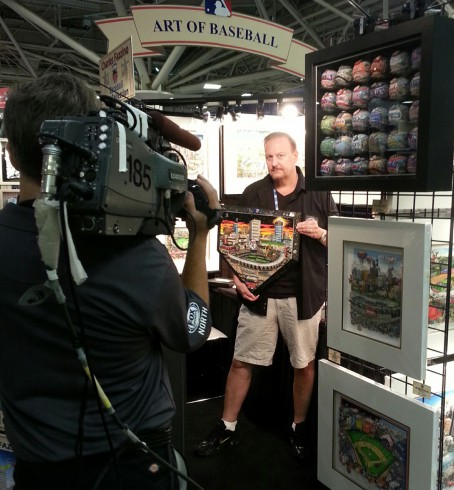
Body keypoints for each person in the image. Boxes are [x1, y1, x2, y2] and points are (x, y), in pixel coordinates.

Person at [0, 73, 220, 489]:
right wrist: (200, 234)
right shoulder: (136, 257)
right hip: (134, 465)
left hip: (37, 470)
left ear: (11, 155)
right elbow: (193, 330)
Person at [194, 131, 337, 461]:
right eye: (269, 156)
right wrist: (235, 278)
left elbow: (341, 240)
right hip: (258, 296)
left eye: (280, 156)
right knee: (241, 362)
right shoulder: (254, 192)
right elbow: (232, 242)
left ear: (295, 155)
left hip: (305, 297)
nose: (274, 162)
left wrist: (321, 233)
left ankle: (298, 427)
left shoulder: (317, 191)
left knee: (304, 365)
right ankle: (226, 427)